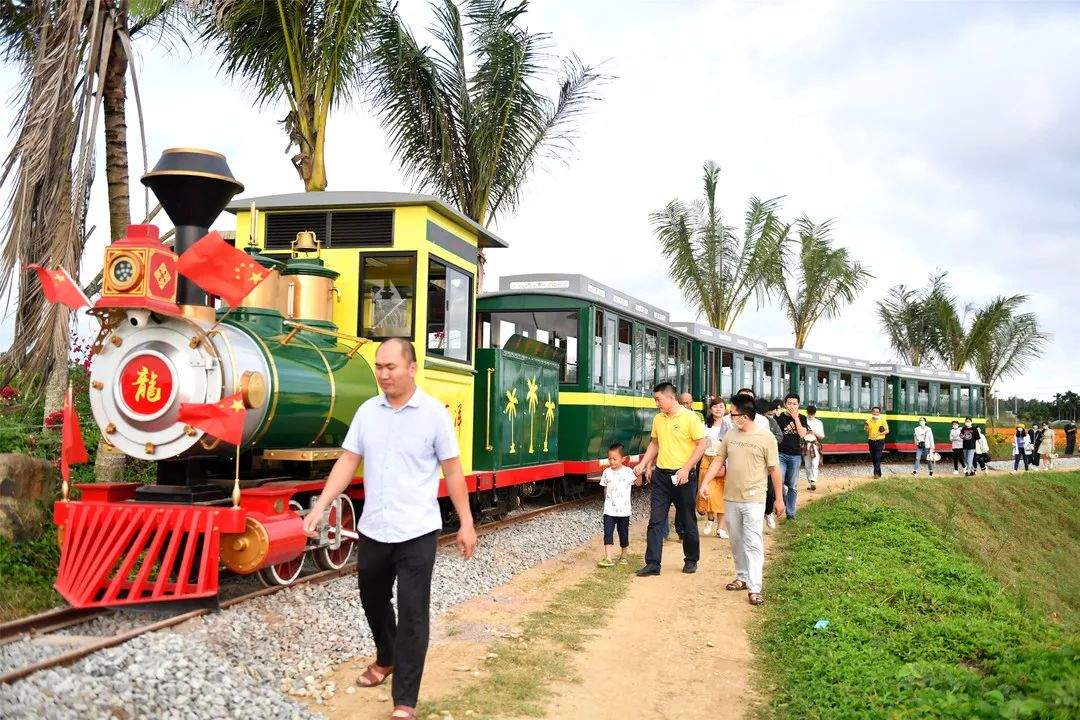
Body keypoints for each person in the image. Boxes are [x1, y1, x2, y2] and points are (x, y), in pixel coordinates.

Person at [301, 338, 476, 720]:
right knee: (373, 599)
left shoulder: (433, 414)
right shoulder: (367, 412)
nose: (383, 374)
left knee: (414, 613)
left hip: (417, 531)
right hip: (375, 529)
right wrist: (323, 504)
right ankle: (387, 657)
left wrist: (466, 522)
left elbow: (452, 471)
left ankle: (405, 701)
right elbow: (348, 462)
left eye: (390, 367)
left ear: (412, 369)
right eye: (379, 367)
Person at [699, 394, 785, 606]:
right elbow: (719, 460)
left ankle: (755, 587)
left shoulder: (766, 438)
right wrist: (705, 483)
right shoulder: (730, 435)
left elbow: (774, 470)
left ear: (744, 416)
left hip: (754, 498)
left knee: (753, 541)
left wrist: (779, 499)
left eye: (734, 413)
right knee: (736, 539)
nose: (731, 416)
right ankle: (742, 577)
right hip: (731, 497)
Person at [633, 382, 708, 576]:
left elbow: (702, 445)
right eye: (655, 399)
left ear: (671, 397)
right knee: (656, 520)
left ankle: (691, 559)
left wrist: (686, 468)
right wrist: (644, 463)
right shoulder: (658, 419)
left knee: (687, 518)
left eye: (658, 399)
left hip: (683, 477)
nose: (656, 403)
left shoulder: (690, 418)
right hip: (661, 477)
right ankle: (652, 563)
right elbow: (655, 444)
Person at [598, 443, 639, 567]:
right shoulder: (606, 472)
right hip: (609, 510)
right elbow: (605, 489)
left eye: (614, 459)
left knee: (623, 533)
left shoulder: (628, 472)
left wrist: (639, 473)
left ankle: (624, 555)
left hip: (624, 511)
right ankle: (608, 557)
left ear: (623, 459)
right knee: (608, 533)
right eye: (609, 458)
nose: (611, 461)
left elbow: (638, 483)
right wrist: (607, 502)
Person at [697, 397, 732, 538]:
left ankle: (721, 528)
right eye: (715, 407)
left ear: (725, 409)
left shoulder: (729, 426)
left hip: (724, 461)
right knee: (709, 492)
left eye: (721, 407)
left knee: (724, 494)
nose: (718, 409)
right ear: (710, 409)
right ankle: (710, 518)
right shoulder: (704, 425)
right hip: (707, 460)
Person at [774, 393, 808, 519]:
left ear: (798, 405)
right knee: (780, 481)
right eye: (789, 403)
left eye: (794, 404)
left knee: (792, 486)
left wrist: (796, 418)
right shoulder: (779, 417)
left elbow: (802, 434)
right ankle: (779, 505)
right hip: (780, 454)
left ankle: (791, 513)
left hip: (795, 455)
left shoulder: (802, 418)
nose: (792, 406)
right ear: (785, 404)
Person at [802, 405, 825, 490]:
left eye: (812, 413)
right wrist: (806, 432)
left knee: (815, 464)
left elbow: (822, 436)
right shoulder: (803, 421)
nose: (811, 415)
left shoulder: (819, 422)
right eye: (809, 413)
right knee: (807, 465)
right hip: (805, 445)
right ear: (807, 412)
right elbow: (801, 434)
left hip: (815, 445)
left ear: (815, 413)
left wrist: (814, 432)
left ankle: (813, 481)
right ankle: (810, 481)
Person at [864, 406, 889, 478]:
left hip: (880, 441)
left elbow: (887, 431)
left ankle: (875, 474)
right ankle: (879, 473)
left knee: (878, 457)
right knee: (873, 457)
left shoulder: (882, 420)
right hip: (871, 441)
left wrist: (879, 434)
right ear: (872, 412)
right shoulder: (868, 421)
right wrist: (866, 429)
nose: (875, 413)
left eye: (877, 412)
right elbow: (866, 431)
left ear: (879, 413)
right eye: (874, 411)